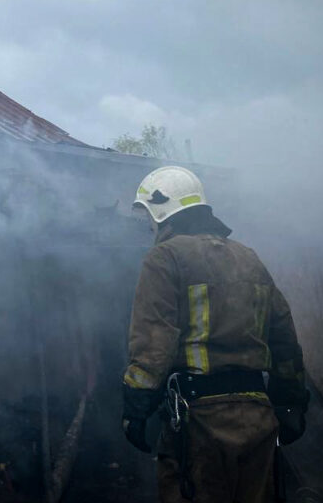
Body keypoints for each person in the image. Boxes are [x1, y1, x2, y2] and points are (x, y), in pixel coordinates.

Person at [122, 166, 308, 502]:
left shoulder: (164, 257)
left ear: (162, 211)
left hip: (199, 423)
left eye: (149, 215)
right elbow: (285, 339)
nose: (149, 224)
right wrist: (291, 402)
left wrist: (135, 406)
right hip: (258, 419)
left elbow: (154, 344)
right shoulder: (248, 258)